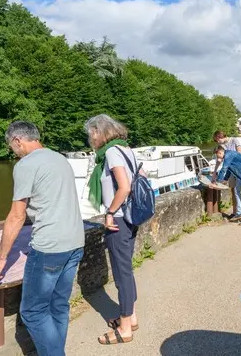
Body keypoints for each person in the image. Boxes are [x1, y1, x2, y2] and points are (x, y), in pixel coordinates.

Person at [0, 121, 85, 356]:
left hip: (50, 247)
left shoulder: (26, 165)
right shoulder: (60, 158)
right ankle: (54, 351)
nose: (13, 151)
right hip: (75, 241)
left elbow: (16, 216)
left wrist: (0, 259)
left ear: (18, 140)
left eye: (12, 146)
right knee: (59, 305)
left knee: (33, 312)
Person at [84, 114, 142, 345]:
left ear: (100, 132)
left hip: (118, 219)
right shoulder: (127, 149)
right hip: (130, 217)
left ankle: (125, 329)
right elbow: (139, 179)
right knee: (125, 270)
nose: (91, 138)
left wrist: (109, 212)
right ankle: (131, 316)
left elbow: (125, 187)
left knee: (121, 273)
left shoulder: (110, 152)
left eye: (92, 134)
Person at [215, 145, 241, 225]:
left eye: (218, 156)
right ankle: (239, 213)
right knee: (236, 190)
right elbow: (229, 169)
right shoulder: (228, 155)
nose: (218, 158)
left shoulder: (228, 155)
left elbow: (224, 169)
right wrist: (225, 179)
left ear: (220, 152)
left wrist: (218, 182)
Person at [212, 130, 241, 220]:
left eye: (217, 140)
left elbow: (239, 153)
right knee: (233, 191)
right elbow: (219, 160)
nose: (217, 142)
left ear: (219, 137)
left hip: (238, 169)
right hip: (230, 170)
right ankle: (235, 213)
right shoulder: (222, 146)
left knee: (238, 191)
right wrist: (214, 172)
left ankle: (239, 212)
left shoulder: (234, 140)